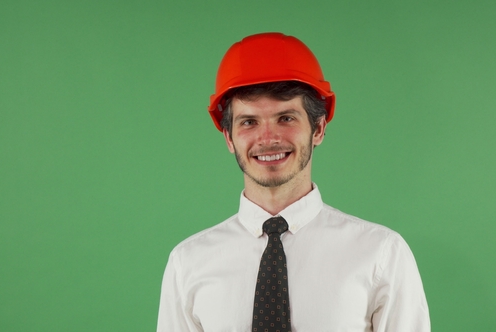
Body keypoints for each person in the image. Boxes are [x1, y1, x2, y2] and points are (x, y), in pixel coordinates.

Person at [157, 32, 430, 332]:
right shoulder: (188, 264)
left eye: (286, 118)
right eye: (249, 122)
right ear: (229, 138)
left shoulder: (382, 255)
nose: (268, 138)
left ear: (318, 129)